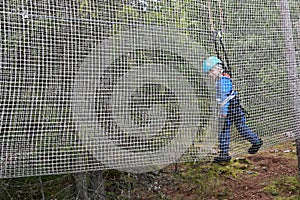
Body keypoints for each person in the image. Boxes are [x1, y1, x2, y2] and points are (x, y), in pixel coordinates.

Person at [202, 56, 263, 163]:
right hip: (234, 109)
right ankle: (227, 152)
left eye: (210, 72)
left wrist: (223, 112)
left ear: (217, 69)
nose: (209, 75)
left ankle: (253, 143)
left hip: (230, 110)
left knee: (231, 129)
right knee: (234, 128)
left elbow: (224, 97)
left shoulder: (222, 81)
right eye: (208, 73)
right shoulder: (224, 78)